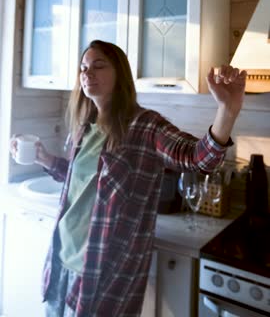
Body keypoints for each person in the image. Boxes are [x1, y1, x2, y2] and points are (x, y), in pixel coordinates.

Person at [11, 40, 247, 317]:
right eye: (83, 68)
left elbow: (198, 158)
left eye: (99, 66)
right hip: (61, 259)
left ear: (120, 74)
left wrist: (227, 111)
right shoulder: (86, 125)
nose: (87, 74)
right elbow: (83, 184)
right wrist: (44, 159)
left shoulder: (144, 125)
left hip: (104, 274)